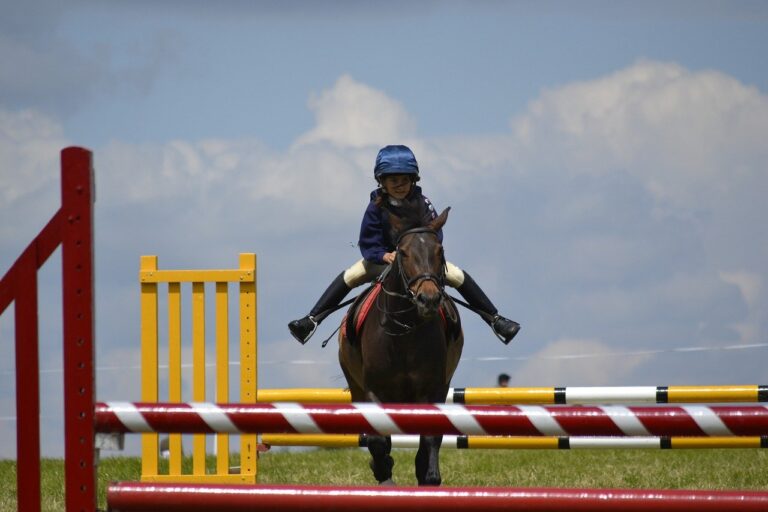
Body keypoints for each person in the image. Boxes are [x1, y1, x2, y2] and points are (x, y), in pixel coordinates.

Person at [288, 145, 520, 344]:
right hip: (383, 262)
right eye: (394, 180)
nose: (400, 185)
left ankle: (495, 320)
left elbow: (434, 235)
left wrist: (424, 255)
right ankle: (311, 320)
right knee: (350, 275)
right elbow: (368, 244)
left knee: (457, 276)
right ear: (383, 182)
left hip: (420, 263)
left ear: (413, 180)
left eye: (405, 180)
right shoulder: (375, 208)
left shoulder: (423, 202)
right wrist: (384, 256)